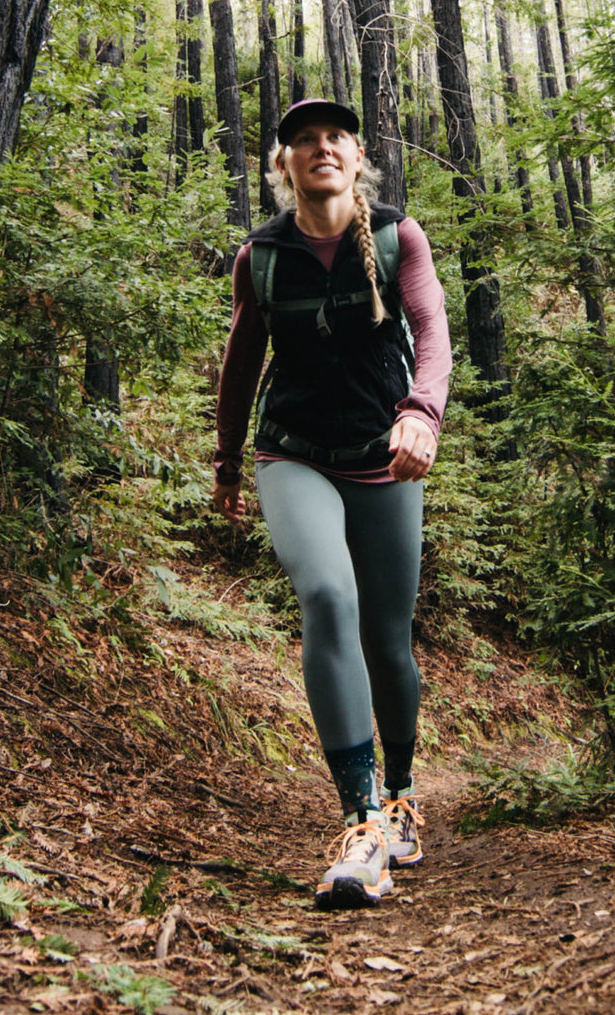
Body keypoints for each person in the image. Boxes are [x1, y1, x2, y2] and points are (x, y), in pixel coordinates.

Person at [212, 99, 451, 910]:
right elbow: (242, 363)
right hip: (294, 453)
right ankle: (361, 816)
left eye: (336, 139)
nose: (321, 149)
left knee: (388, 638)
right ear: (284, 166)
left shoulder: (396, 236)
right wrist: (226, 466)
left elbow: (432, 326)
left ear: (357, 159)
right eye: (304, 141)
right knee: (325, 595)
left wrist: (422, 412)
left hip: (383, 456)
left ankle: (404, 791)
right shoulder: (263, 255)